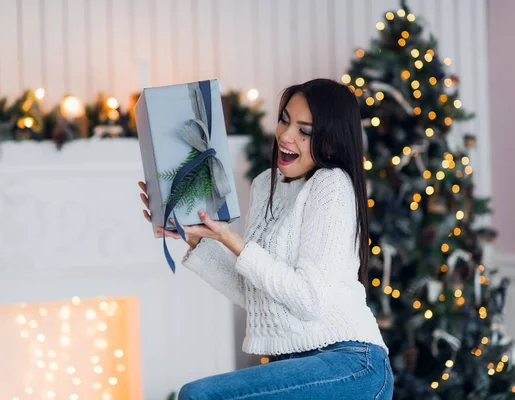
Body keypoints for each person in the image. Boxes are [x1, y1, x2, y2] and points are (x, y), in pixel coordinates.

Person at [138, 79, 393, 399]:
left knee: (199, 395)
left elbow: (309, 301)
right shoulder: (265, 185)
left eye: (305, 131)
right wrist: (196, 238)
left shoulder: (332, 185)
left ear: (330, 141)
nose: (286, 135)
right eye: (285, 119)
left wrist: (233, 240)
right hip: (299, 364)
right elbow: (257, 297)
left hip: (351, 363)